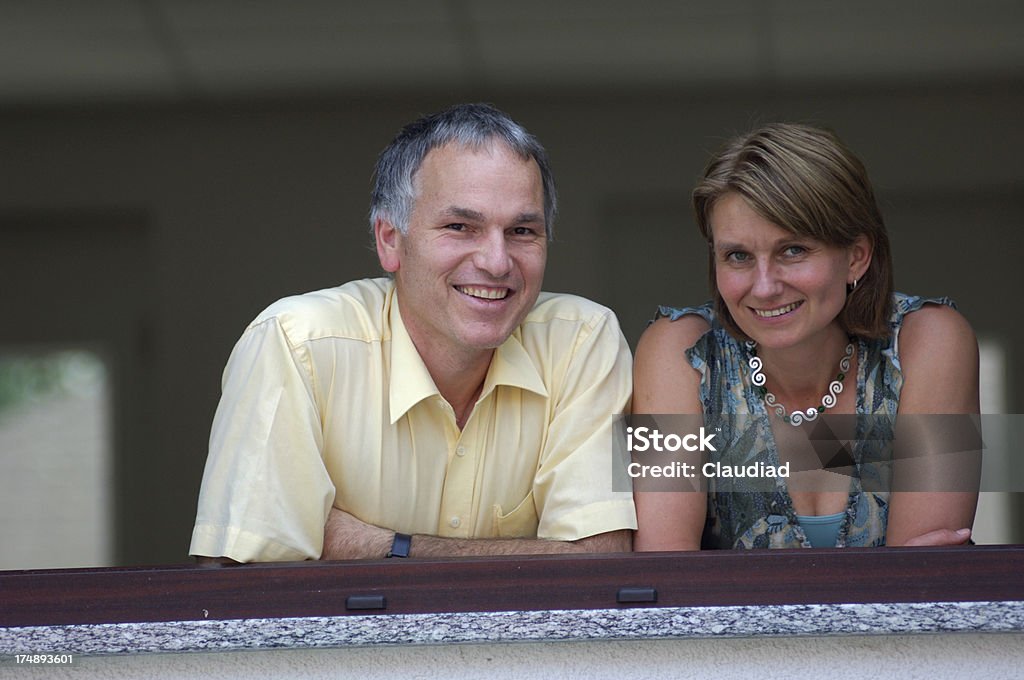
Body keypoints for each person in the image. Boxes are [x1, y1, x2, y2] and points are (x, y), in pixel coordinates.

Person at [190, 103, 635, 563]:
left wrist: (378, 545)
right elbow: (238, 591)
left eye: (522, 230)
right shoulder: (294, 344)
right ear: (390, 241)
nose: (497, 261)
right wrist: (535, 555)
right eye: (460, 227)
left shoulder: (581, 341)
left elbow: (599, 563)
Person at [633, 123, 979, 551]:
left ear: (856, 257)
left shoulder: (929, 342)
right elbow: (665, 581)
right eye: (738, 256)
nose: (763, 287)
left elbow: (920, 592)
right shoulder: (679, 353)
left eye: (792, 250)